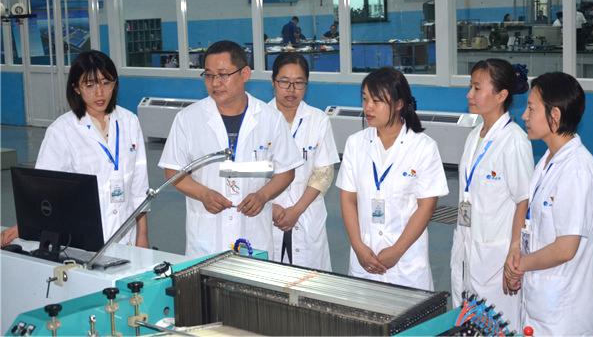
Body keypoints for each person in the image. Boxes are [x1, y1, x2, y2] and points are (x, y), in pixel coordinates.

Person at [158, 40, 302, 257]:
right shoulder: (188, 119)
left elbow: (286, 171)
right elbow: (173, 171)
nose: (215, 83)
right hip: (207, 236)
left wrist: (263, 196)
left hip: (254, 234)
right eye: (209, 75)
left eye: (223, 75)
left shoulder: (270, 119)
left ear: (245, 74)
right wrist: (203, 194)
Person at [1, 50, 149, 248]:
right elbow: (44, 190)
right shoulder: (61, 131)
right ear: (76, 88)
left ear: (115, 84)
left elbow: (139, 186)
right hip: (81, 238)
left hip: (127, 236)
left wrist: (142, 235)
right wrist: (24, 225)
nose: (100, 92)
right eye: (90, 85)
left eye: (106, 83)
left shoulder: (130, 121)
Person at [504, 72, 593, 335]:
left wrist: (519, 266)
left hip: (562, 312)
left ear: (554, 115)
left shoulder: (576, 170)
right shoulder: (548, 160)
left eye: (531, 108)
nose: (524, 115)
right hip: (539, 300)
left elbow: (565, 248)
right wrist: (517, 251)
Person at [336, 67, 449, 290]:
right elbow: (348, 199)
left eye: (377, 101)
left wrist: (397, 251)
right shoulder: (355, 143)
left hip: (405, 261)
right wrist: (358, 247)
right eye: (365, 99)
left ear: (398, 104)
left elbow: (426, 207)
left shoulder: (423, 147)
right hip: (364, 256)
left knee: (408, 312)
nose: (368, 107)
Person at [450, 59, 534, 330]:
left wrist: (515, 250)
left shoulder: (514, 141)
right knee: (468, 326)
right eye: (470, 87)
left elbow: (524, 200)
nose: (469, 94)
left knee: (498, 327)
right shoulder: (475, 135)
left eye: (477, 88)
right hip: (468, 248)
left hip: (496, 259)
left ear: (501, 95)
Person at [268, 53, 340, 270]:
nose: (291, 89)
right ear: (273, 82)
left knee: (310, 282)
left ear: (306, 85)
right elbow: (249, 173)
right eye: (284, 82)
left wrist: (296, 210)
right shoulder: (258, 118)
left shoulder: (318, 120)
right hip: (268, 212)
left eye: (299, 83)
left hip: (307, 213)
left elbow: (324, 173)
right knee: (268, 280)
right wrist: (269, 206)